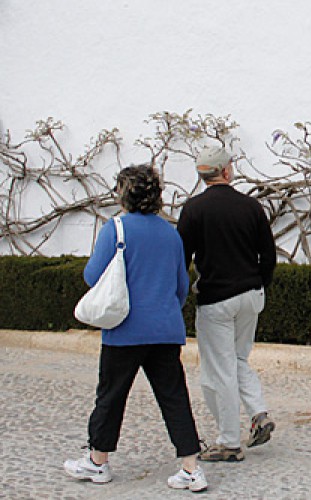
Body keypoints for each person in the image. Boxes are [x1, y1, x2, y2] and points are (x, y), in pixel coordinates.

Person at [63, 165, 208, 492]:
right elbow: (181, 285)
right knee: (174, 397)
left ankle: (98, 461)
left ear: (123, 193)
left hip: (125, 329)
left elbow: (92, 276)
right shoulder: (171, 234)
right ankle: (191, 467)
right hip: (165, 328)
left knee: (111, 396)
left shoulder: (115, 229)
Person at [177, 146, 277, 462]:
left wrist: (180, 295)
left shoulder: (193, 210)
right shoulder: (250, 207)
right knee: (237, 359)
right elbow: (269, 255)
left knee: (219, 369)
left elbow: (182, 258)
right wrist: (260, 283)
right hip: (250, 294)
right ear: (227, 171)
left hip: (216, 298)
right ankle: (258, 413)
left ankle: (229, 442)